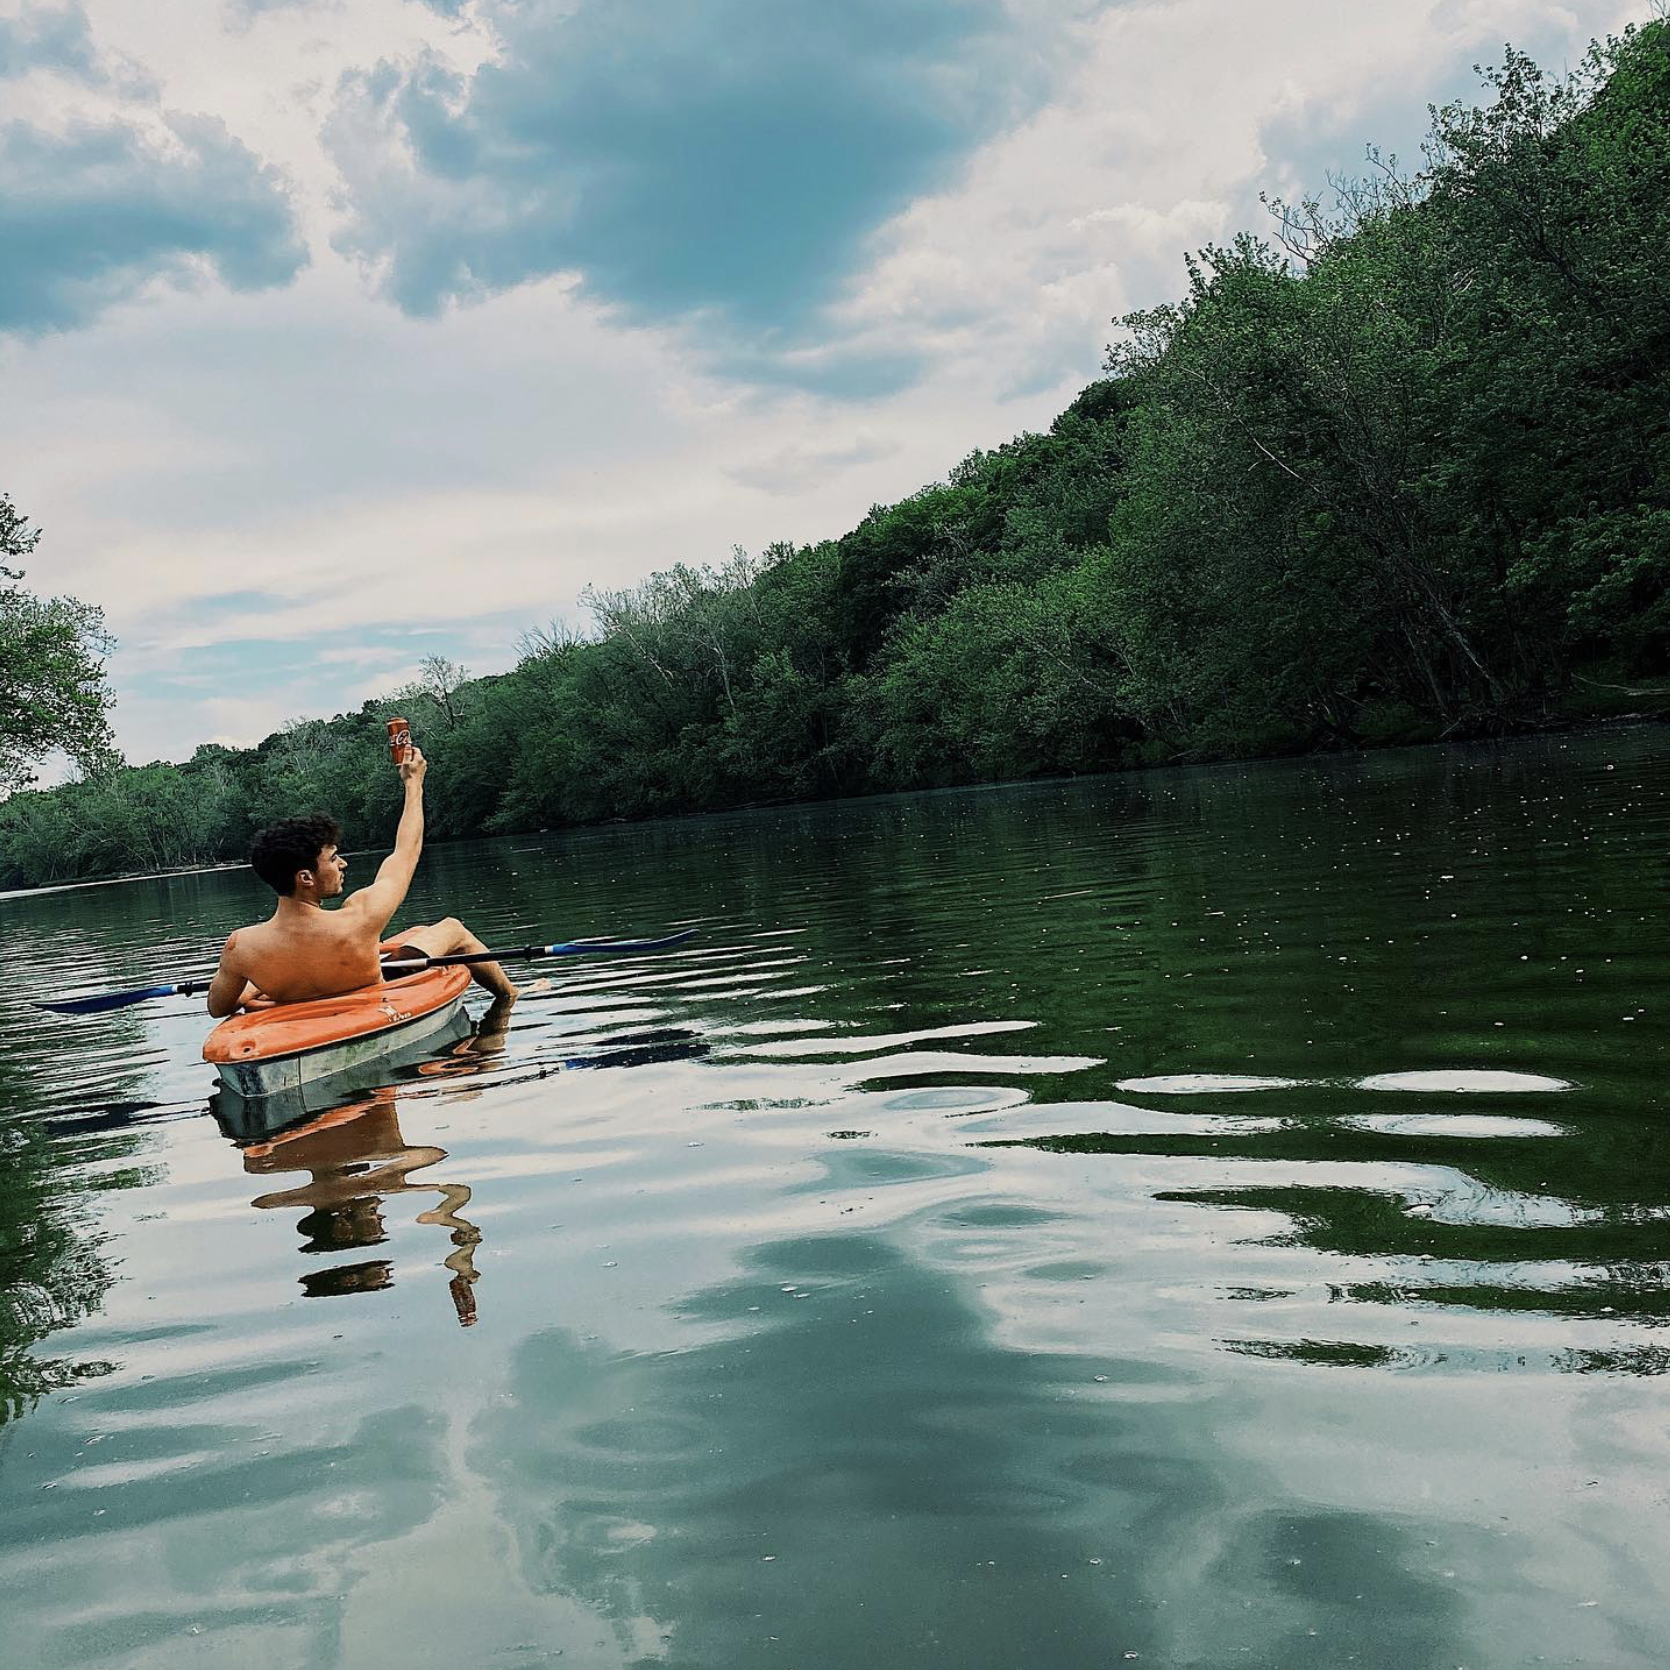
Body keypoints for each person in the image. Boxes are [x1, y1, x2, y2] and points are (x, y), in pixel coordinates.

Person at [205, 746, 519, 1017]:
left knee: (419, 936)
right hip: (370, 996)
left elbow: (219, 1007)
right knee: (452, 927)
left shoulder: (242, 947)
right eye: (332, 859)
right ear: (305, 878)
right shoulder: (359, 919)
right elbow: (405, 853)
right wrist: (414, 785)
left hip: (298, 999)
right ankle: (509, 997)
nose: (342, 863)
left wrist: (253, 990)